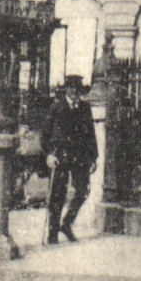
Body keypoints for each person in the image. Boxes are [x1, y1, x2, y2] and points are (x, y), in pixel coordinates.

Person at [44, 74, 97, 245]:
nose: (74, 92)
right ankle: (52, 233)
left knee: (83, 191)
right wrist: (49, 155)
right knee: (57, 194)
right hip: (61, 156)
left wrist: (93, 157)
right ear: (66, 89)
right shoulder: (56, 107)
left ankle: (66, 224)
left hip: (80, 157)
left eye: (77, 89)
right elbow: (45, 134)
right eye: (71, 88)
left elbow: (91, 134)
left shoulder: (85, 108)